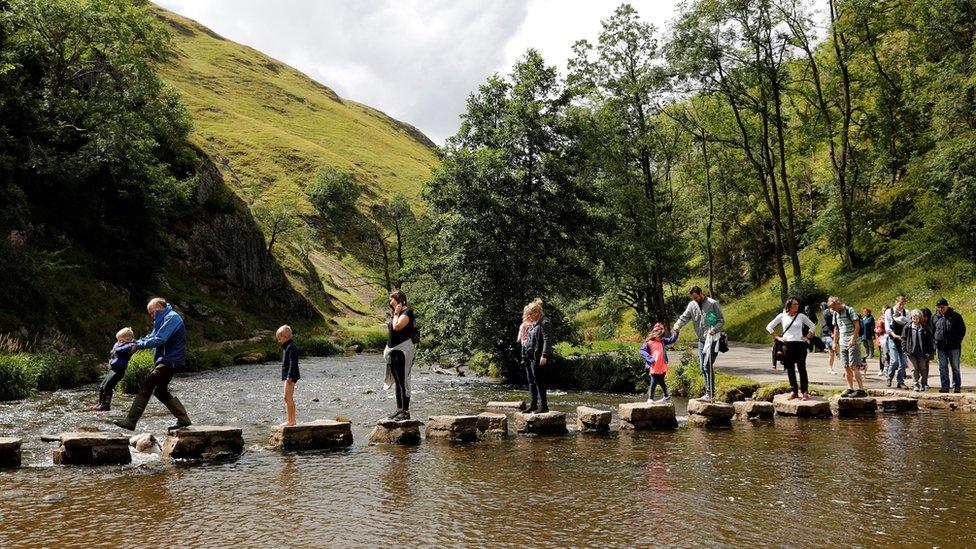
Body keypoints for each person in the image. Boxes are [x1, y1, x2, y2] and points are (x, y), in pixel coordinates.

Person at [114, 298, 192, 431]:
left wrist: (137, 345)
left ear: (161, 307)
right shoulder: (162, 320)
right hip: (167, 360)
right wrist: (135, 342)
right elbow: (152, 335)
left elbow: (159, 339)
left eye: (152, 312)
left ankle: (131, 421)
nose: (152, 315)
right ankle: (183, 419)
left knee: (148, 382)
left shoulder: (172, 318)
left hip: (170, 360)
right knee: (160, 391)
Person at [673, 286, 725, 400]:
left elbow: (721, 320)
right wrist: (677, 325)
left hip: (713, 339)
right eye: (693, 298)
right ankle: (708, 393)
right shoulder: (691, 305)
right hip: (701, 341)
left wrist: (714, 329)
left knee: (707, 365)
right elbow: (685, 317)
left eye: (696, 297)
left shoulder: (713, 303)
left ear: (701, 293)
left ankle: (709, 393)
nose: (695, 300)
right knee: (702, 367)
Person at [766, 296, 816, 400]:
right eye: (794, 304)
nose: (797, 306)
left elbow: (812, 326)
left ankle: (805, 392)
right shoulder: (782, 316)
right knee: (790, 369)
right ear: (789, 305)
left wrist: (807, 336)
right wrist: (777, 337)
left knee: (802, 368)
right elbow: (769, 326)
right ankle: (794, 391)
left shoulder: (801, 316)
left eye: (797, 304)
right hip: (787, 345)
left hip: (800, 345)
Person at [383, 290, 416, 420]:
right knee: (397, 381)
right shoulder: (397, 313)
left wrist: (396, 312)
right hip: (393, 351)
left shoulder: (407, 313)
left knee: (403, 381)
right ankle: (399, 410)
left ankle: (406, 412)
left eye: (392, 299)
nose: (390, 301)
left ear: (399, 299)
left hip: (403, 351)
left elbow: (397, 327)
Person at [88, 327, 138, 412]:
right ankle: (100, 403)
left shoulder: (130, 346)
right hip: (113, 369)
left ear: (128, 340)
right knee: (102, 386)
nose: (119, 342)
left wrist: (117, 349)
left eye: (121, 340)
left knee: (108, 387)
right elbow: (115, 350)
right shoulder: (120, 344)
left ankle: (106, 405)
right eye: (118, 340)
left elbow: (120, 350)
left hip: (119, 370)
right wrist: (117, 347)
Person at [521, 298, 553, 413]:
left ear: (537, 312)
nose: (529, 316)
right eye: (528, 314)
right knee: (531, 380)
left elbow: (547, 339)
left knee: (538, 380)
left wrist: (544, 355)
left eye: (531, 314)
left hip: (538, 356)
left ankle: (544, 406)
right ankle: (533, 405)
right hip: (529, 355)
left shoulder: (545, 322)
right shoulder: (535, 322)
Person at [829, 296, 866, 398]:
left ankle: (861, 389)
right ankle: (850, 388)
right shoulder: (835, 314)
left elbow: (857, 325)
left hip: (853, 342)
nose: (833, 309)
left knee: (853, 366)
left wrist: (853, 339)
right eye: (832, 308)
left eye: (834, 307)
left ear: (838, 303)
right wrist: (834, 342)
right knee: (846, 366)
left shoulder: (849, 310)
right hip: (842, 342)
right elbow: (836, 328)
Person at [932, 298, 967, 393]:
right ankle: (945, 386)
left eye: (942, 307)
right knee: (942, 367)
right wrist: (934, 343)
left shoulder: (956, 316)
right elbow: (932, 331)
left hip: (954, 346)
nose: (941, 309)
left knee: (955, 367)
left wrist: (958, 341)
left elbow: (962, 330)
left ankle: (956, 386)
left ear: (947, 306)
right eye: (938, 307)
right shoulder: (935, 317)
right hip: (940, 347)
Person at [639, 323, 679, 402]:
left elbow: (672, 339)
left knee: (662, 381)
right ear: (655, 334)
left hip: (662, 365)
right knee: (653, 381)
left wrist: (676, 332)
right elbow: (642, 351)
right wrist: (650, 359)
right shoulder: (649, 343)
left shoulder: (662, 341)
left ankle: (666, 396)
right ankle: (650, 398)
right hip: (654, 365)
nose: (661, 338)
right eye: (660, 336)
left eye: (662, 336)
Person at [902, 310, 934, 392]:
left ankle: (923, 384)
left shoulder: (925, 328)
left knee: (923, 369)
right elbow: (904, 339)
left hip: (922, 352)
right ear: (911, 318)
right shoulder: (907, 327)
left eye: (917, 317)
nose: (915, 319)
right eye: (913, 317)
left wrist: (929, 351)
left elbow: (930, 341)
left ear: (920, 318)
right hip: (911, 352)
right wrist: (904, 350)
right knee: (914, 369)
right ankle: (915, 384)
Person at [884, 295, 909, 389]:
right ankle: (889, 377)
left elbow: (908, 325)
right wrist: (894, 335)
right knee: (894, 360)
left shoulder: (906, 312)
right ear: (896, 302)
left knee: (903, 362)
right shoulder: (888, 311)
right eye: (900, 304)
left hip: (902, 339)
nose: (901, 306)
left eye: (903, 304)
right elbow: (887, 326)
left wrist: (903, 337)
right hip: (893, 338)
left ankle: (900, 381)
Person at [277, 325, 300, 426]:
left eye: (279, 338)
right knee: (286, 397)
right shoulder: (287, 346)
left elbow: (293, 362)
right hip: (289, 375)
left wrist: (290, 376)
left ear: (285, 337)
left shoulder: (291, 347)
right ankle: (290, 420)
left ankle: (291, 421)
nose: (279, 341)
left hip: (291, 375)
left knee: (287, 397)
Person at [820, 302, 837, 375]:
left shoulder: (837, 313)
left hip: (837, 334)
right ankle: (830, 368)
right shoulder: (825, 313)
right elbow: (824, 326)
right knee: (833, 346)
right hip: (826, 335)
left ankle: (830, 368)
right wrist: (831, 333)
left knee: (832, 353)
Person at [874, 309, 888, 377]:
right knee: (882, 354)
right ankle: (881, 369)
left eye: (885, 310)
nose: (884, 311)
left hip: (888, 338)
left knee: (888, 355)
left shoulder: (890, 317)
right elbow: (876, 328)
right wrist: (876, 330)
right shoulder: (880, 318)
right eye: (883, 310)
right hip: (881, 339)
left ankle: (888, 369)